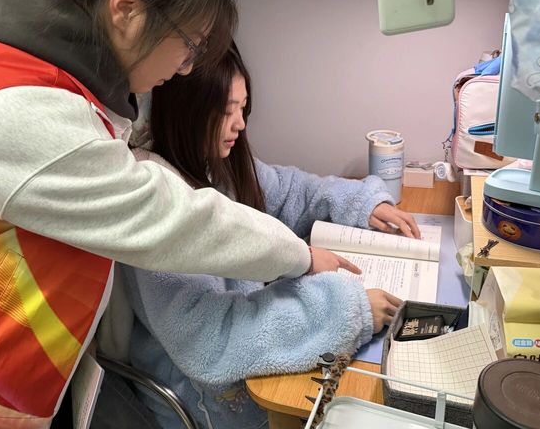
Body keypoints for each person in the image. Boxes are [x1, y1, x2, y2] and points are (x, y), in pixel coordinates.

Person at [0, 0, 399, 427]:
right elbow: (175, 222)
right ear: (126, 11)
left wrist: (352, 207)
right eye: (190, 44)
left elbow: (271, 190)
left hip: (10, 371)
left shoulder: (59, 86)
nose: (187, 66)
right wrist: (302, 259)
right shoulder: (11, 108)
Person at [95, 45, 415, 428]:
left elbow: (292, 191)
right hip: (206, 400)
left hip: (244, 366)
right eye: (226, 111)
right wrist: (347, 310)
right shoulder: (156, 204)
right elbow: (212, 340)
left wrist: (361, 202)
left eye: (243, 109)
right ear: (186, 110)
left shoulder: (218, 164)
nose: (240, 125)